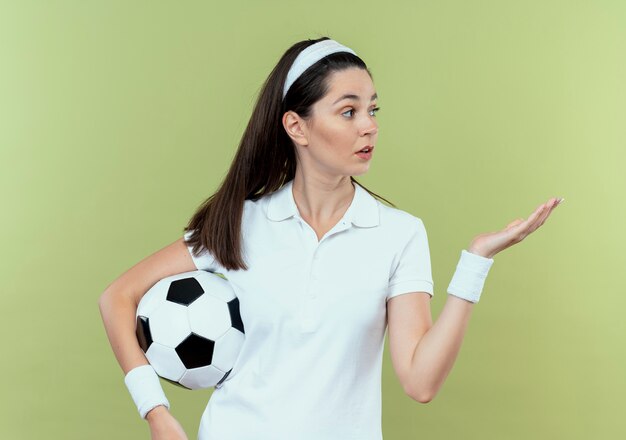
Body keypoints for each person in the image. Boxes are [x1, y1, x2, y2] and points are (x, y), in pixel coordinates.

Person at [98, 36, 563, 440]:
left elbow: (420, 382)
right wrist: (156, 413)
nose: (369, 125)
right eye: (348, 111)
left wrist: (475, 262)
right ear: (296, 126)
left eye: (372, 109)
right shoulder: (240, 224)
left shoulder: (399, 234)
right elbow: (117, 297)